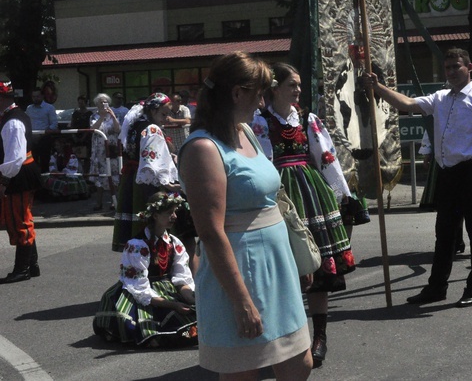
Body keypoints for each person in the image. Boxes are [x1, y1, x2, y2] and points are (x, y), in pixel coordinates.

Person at [178, 52, 312, 379]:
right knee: (243, 372)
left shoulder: (246, 132)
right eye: (260, 93)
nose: (263, 102)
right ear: (237, 93)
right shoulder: (203, 148)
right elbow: (210, 233)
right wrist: (241, 301)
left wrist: (298, 261)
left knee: (299, 364)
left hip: (275, 267)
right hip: (241, 272)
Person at [365, 47, 472, 307]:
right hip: (447, 173)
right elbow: (408, 104)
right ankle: (437, 287)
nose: (451, 72)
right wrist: (377, 87)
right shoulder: (441, 97)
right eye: (448, 68)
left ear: (468, 68)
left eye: (456, 67)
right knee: (444, 233)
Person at [252, 62, 359, 368]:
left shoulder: (308, 119)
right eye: (292, 85)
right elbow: (260, 161)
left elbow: (326, 158)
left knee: (319, 269)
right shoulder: (259, 123)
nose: (298, 89)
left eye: (299, 84)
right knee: (281, 272)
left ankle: (320, 337)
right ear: (275, 88)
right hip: (278, 194)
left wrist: (344, 195)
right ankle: (282, 342)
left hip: (311, 194)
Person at [94, 191, 197, 347]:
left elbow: (181, 277)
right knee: (148, 326)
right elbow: (138, 287)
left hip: (167, 289)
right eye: (170, 213)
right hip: (140, 292)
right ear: (155, 216)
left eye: (175, 212)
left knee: (194, 317)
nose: (175, 216)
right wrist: (173, 305)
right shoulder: (137, 246)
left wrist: (192, 298)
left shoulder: (174, 243)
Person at [112, 93, 179, 252]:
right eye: (163, 114)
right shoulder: (152, 128)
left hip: (132, 178)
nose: (166, 118)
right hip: (146, 181)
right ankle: (153, 257)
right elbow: (150, 162)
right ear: (153, 111)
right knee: (152, 220)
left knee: (136, 220)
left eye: (168, 114)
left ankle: (137, 255)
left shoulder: (136, 125)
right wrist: (168, 184)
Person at [0, 81, 43, 284]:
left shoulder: (12, 121)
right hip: (20, 172)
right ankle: (31, 266)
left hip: (18, 173)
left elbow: (15, 157)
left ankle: (23, 268)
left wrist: (4, 181)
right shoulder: (11, 117)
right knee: (20, 218)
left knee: (20, 220)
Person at [89, 93, 121, 211]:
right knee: (100, 177)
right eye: (100, 102)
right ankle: (99, 203)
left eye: (105, 102)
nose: (103, 104)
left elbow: (118, 129)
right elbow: (92, 129)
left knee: (114, 176)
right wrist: (102, 117)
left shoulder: (114, 114)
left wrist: (112, 116)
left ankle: (114, 201)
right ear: (96, 104)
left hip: (112, 149)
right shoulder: (94, 116)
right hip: (99, 150)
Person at [25, 87, 58, 173]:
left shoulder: (49, 108)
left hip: (44, 138)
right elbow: (26, 122)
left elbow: (54, 124)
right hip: (31, 139)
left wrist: (42, 134)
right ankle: (34, 182)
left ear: (42, 96)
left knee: (45, 162)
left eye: (37, 96)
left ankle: (45, 182)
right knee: (31, 162)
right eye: (33, 96)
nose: (35, 98)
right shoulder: (29, 108)